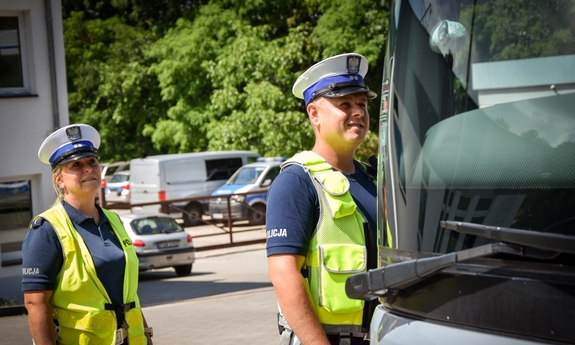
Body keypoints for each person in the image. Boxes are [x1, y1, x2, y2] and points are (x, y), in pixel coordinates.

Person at [266, 53, 378, 345]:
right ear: (314, 114)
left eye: (363, 104)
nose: (358, 112)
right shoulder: (296, 182)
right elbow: (283, 274)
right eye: (345, 104)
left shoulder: (374, 179)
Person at [22, 124, 153, 345]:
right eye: (76, 165)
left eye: (92, 161)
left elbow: (128, 294)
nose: (88, 168)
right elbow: (35, 303)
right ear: (59, 180)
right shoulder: (47, 229)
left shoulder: (113, 220)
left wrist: (146, 334)